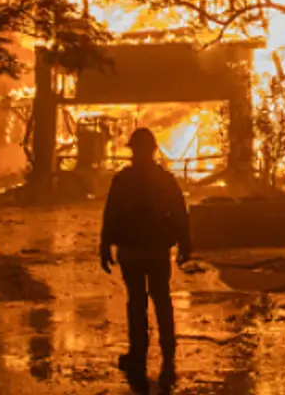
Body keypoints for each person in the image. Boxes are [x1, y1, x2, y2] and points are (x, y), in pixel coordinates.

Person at [100, 127, 192, 389]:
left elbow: (111, 213)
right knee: (161, 299)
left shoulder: (123, 180)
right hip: (155, 251)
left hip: (132, 252)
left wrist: (105, 246)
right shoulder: (164, 179)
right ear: (153, 150)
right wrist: (185, 243)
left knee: (137, 302)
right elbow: (179, 212)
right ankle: (167, 352)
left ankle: (138, 354)